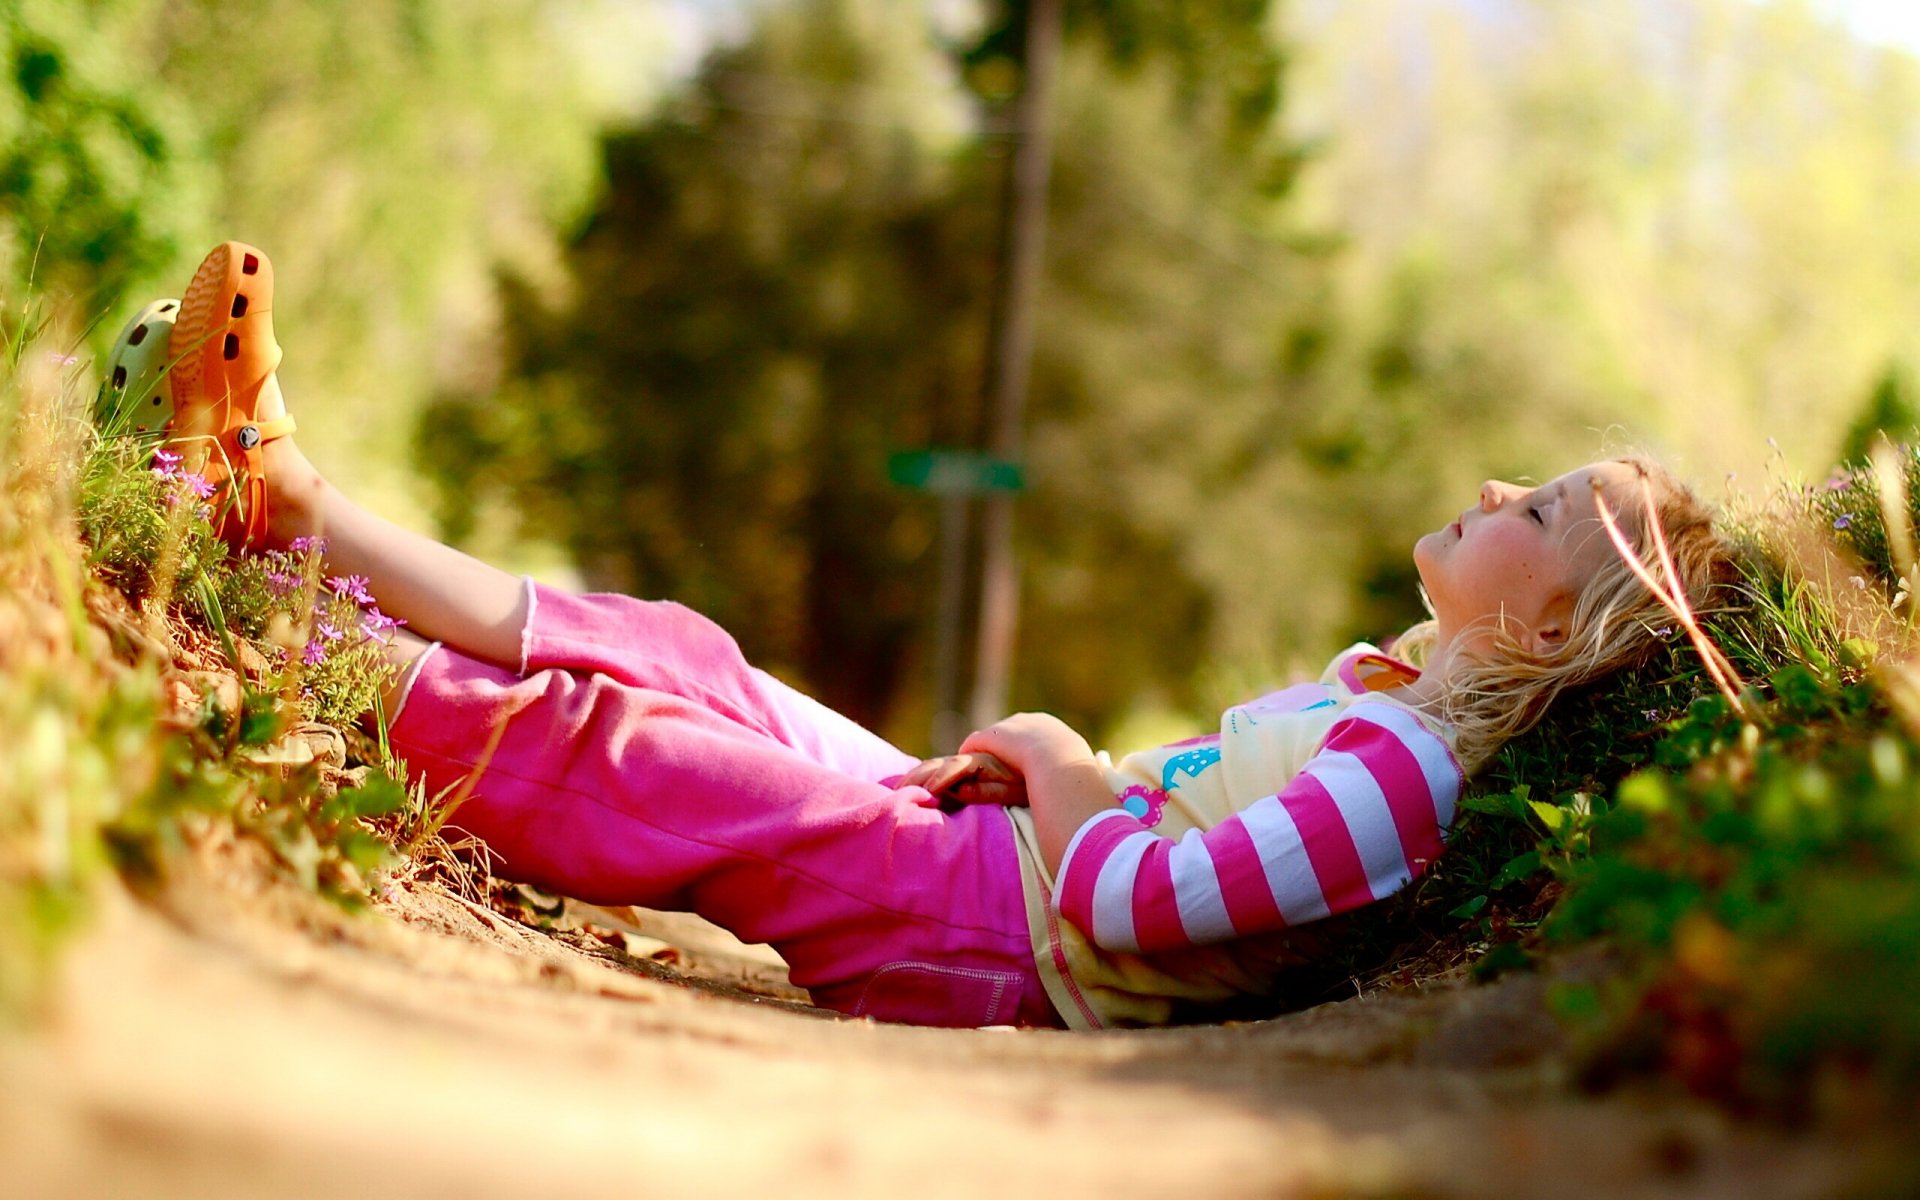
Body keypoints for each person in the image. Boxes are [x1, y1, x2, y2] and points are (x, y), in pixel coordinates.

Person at [105, 243, 1731, 1030]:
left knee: (661, 767)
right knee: (691, 652)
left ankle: (289, 638)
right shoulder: (1384, 703)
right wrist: (1050, 777)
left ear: (1552, 622)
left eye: (1544, 503)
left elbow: (1137, 902)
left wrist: (1058, 761)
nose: (1502, 482)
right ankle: (285, 506)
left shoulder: (1401, 791)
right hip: (1004, 870)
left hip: (1005, 945)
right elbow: (1168, 823)